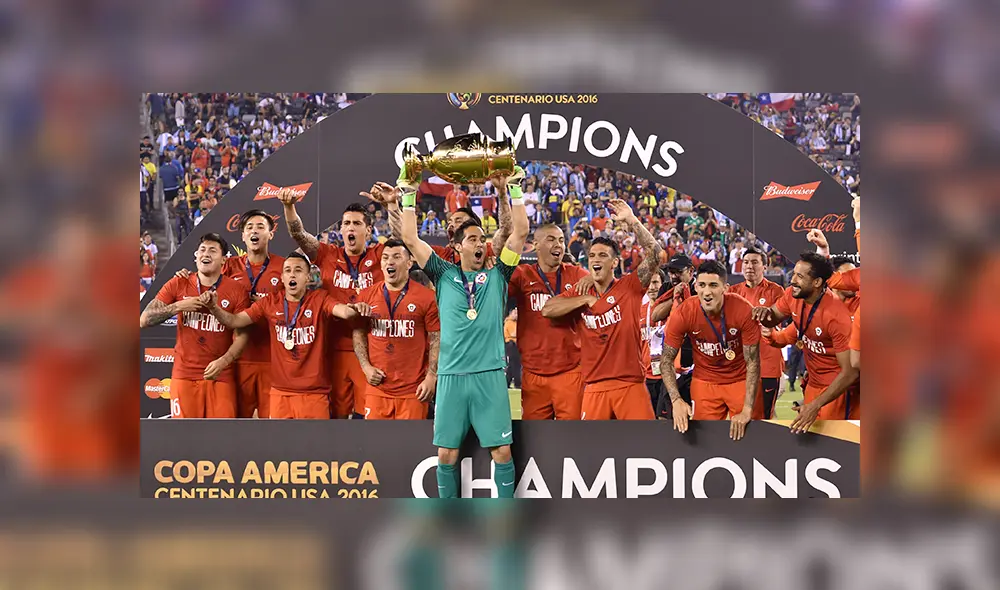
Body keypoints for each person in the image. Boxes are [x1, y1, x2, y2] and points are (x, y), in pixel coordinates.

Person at [369, 162, 528, 499]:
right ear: (457, 247)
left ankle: (505, 522)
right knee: (446, 455)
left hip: (489, 375)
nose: (480, 243)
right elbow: (410, 238)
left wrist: (514, 188)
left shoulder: (498, 275)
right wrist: (408, 194)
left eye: (482, 238)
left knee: (501, 453)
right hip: (452, 376)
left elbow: (521, 233)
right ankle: (449, 521)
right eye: (472, 239)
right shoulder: (443, 274)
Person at [202, 253, 370, 419]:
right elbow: (235, 321)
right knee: (280, 446)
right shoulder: (270, 302)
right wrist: (214, 308)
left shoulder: (320, 299)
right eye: (288, 270)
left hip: (314, 395)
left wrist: (356, 309)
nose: (292, 274)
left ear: (307, 277)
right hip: (280, 394)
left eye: (298, 270)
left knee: (315, 446)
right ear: (282, 277)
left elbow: (344, 312)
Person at [279, 189, 400, 419]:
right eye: (346, 223)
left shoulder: (380, 254)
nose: (350, 228)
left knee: (369, 417)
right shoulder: (326, 254)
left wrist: (392, 205)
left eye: (356, 223)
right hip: (331, 349)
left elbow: (402, 238)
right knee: (335, 417)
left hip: (370, 351)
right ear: (341, 230)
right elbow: (298, 234)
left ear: (369, 230)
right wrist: (289, 207)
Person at [541, 199, 662, 420]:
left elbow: (656, 254)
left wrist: (633, 221)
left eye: (603, 255)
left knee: (644, 446)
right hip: (594, 386)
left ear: (615, 263)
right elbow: (547, 309)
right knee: (593, 452)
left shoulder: (629, 286)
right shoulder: (580, 291)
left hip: (630, 384)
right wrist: (584, 300)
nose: (596, 259)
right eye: (592, 256)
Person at [140, 233, 250, 418]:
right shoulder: (179, 282)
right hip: (184, 375)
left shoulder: (237, 290)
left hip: (221, 375)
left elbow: (243, 335)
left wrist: (224, 361)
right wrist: (179, 306)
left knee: (221, 439)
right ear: (196, 256)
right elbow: (144, 319)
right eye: (202, 250)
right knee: (184, 439)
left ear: (224, 260)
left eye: (212, 250)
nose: (206, 254)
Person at [752, 252, 858, 430]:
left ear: (817, 282)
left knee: (836, 444)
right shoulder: (793, 296)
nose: (792, 280)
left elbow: (850, 373)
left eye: (799, 276)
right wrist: (764, 314)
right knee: (810, 440)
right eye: (793, 274)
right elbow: (773, 317)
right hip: (813, 385)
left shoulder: (836, 317)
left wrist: (816, 405)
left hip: (837, 390)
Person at [661, 261, 762, 440]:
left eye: (713, 285)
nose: (707, 292)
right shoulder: (684, 312)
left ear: (725, 288)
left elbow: (753, 361)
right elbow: (666, 360)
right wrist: (676, 400)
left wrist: (747, 409)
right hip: (704, 382)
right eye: (702, 285)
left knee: (753, 438)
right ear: (695, 286)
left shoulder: (743, 310)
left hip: (740, 380)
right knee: (704, 442)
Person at [508, 223, 590, 420]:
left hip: (570, 371)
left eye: (561, 240)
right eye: (551, 239)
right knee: (536, 441)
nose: (559, 245)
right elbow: (496, 286)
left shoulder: (578, 275)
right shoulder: (522, 275)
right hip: (533, 373)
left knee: (572, 438)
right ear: (535, 245)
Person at [352, 239, 441, 420]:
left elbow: (437, 339)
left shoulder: (427, 298)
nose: (389, 262)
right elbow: (358, 333)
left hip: (413, 390)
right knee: (374, 446)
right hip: (377, 388)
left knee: (410, 446)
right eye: (385, 258)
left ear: (409, 263)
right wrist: (365, 367)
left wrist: (432, 376)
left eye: (396, 257)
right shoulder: (366, 295)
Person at [222, 210, 286, 418]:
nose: (254, 231)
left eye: (260, 227)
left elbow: (296, 306)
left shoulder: (285, 266)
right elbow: (204, 281)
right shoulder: (229, 266)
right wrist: (184, 275)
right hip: (239, 358)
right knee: (238, 426)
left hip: (273, 359)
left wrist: (268, 307)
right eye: (249, 228)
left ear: (271, 234)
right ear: (242, 236)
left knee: (273, 426)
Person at [728, 247, 786, 419]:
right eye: (746, 262)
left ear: (765, 266)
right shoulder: (732, 292)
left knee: (765, 418)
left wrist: (767, 314)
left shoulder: (776, 291)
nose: (749, 266)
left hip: (768, 365)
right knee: (738, 415)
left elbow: (779, 321)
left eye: (754, 262)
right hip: (740, 367)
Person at [640, 268, 667, 412]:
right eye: (648, 283)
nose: (651, 287)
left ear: (663, 284)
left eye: (656, 282)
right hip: (646, 376)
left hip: (668, 376)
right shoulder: (638, 310)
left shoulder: (671, 310)